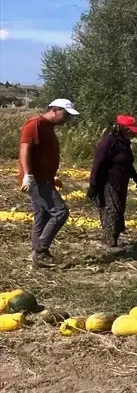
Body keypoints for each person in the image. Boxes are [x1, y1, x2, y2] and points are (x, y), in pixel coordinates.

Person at [18, 98, 80, 268]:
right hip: (36, 180)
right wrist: (28, 175)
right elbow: (25, 149)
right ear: (55, 110)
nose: (67, 119)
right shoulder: (34, 124)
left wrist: (51, 176)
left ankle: (36, 256)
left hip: (44, 178)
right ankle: (40, 250)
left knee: (42, 217)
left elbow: (42, 155)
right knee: (60, 212)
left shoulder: (48, 127)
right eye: (66, 114)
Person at [87, 115, 137, 250]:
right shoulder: (109, 141)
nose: (132, 133)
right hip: (107, 182)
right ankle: (110, 243)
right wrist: (93, 185)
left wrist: (136, 178)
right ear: (122, 128)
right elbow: (97, 164)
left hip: (121, 182)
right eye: (130, 130)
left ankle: (113, 240)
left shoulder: (124, 142)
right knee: (112, 211)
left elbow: (127, 163)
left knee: (119, 211)